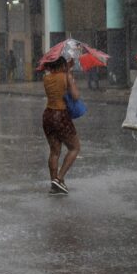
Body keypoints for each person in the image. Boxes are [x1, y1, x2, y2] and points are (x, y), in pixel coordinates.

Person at [42, 56, 81, 195]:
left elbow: (57, 84)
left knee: (54, 151)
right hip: (61, 116)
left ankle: (54, 184)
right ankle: (59, 179)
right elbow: (75, 96)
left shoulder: (46, 78)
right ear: (62, 65)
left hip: (48, 115)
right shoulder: (66, 76)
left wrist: (67, 68)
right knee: (75, 148)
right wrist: (71, 79)